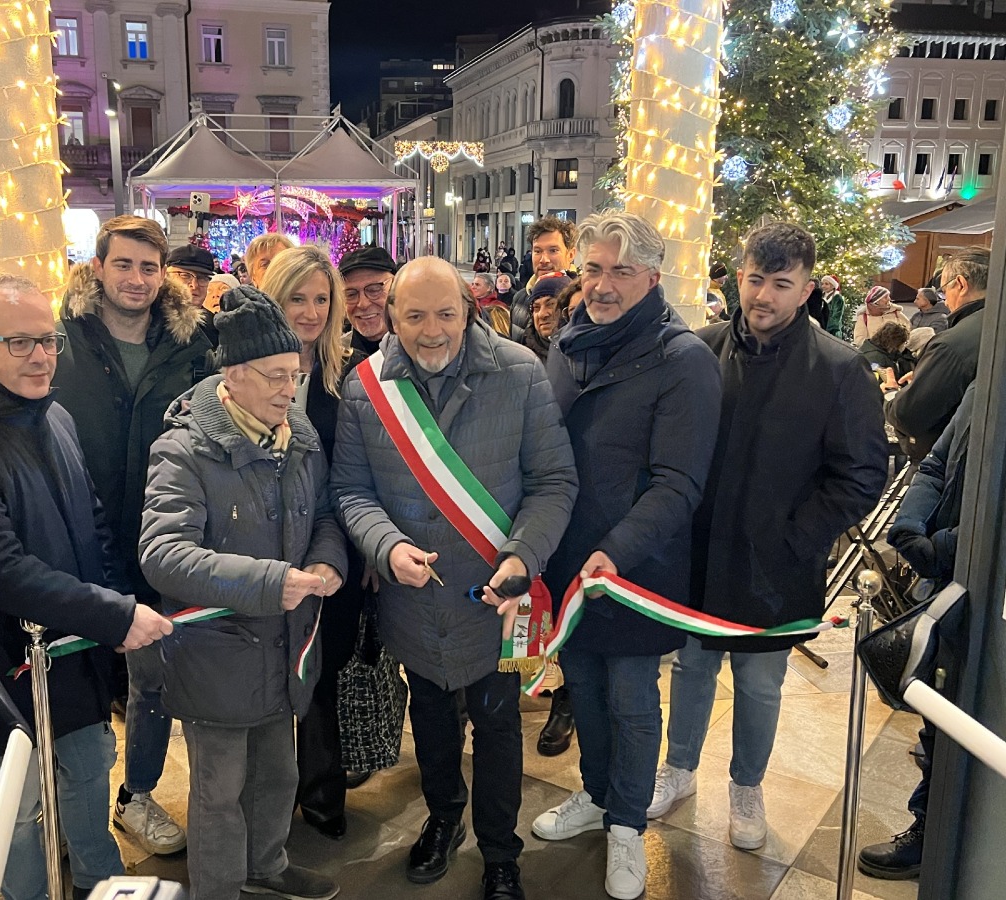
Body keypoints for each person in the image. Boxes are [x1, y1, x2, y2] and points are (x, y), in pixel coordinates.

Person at [331, 257, 578, 900]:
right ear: (391, 317)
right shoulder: (366, 388)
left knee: (499, 731)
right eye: (414, 316)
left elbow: (554, 482)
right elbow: (352, 492)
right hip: (414, 603)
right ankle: (443, 820)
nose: (432, 330)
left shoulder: (521, 372)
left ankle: (501, 850)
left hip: (498, 601)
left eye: (445, 313)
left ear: (468, 310)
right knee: (433, 720)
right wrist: (385, 549)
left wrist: (523, 558)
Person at [0, 275, 173, 900]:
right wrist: (113, 616)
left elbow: (91, 519)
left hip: (75, 647)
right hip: (9, 658)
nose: (41, 356)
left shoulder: (54, 413)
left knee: (89, 768)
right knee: (21, 795)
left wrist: (115, 606)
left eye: (49, 340)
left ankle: (101, 882)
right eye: (19, 343)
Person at [648, 222, 888, 851]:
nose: (764, 296)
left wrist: (794, 538)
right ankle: (678, 769)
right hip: (699, 557)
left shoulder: (839, 369)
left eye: (781, 284)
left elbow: (862, 475)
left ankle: (747, 786)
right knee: (692, 669)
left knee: (758, 684)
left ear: (806, 289)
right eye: (756, 278)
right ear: (738, 275)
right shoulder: (699, 351)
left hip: (774, 566)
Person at [530, 212, 721, 900]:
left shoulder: (682, 359)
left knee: (632, 698)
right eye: (592, 269)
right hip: (568, 562)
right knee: (582, 687)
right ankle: (596, 796)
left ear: (652, 276)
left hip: (633, 567)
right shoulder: (568, 343)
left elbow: (680, 483)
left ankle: (626, 826)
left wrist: (616, 550)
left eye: (620, 271)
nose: (603, 285)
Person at [139, 286, 346, 900]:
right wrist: (272, 582)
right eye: (276, 376)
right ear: (233, 376)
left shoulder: (298, 435)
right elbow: (163, 555)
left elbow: (328, 515)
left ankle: (268, 870)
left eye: (295, 374)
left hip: (284, 646)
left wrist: (327, 562)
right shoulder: (184, 449)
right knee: (218, 793)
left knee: (277, 775)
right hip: (219, 654)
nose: (290, 388)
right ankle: (220, 890)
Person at [54, 215, 214, 858]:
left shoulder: (192, 344)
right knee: (84, 687)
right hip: (79, 538)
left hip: (163, 534)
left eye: (149, 267)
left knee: (156, 675)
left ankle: (137, 795)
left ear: (164, 275)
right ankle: (77, 819)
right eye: (123, 265)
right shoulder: (63, 342)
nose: (136, 279)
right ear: (98, 268)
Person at [261, 246, 368, 839]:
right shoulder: (243, 367)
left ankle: (323, 790)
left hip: (333, 544)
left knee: (323, 670)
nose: (309, 311)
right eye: (297, 298)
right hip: (261, 542)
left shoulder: (347, 375)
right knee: (269, 674)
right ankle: (271, 798)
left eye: (321, 299)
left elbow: (361, 470)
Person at [859, 382, 976, 881]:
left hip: (980, 576)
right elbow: (935, 464)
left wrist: (948, 541)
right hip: (946, 577)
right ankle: (927, 831)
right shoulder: (985, 384)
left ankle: (948, 842)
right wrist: (910, 526)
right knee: (937, 710)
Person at [886, 247, 988, 462]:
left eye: (943, 291)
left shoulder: (953, 343)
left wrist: (891, 393)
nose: (945, 300)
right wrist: (929, 375)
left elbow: (908, 416)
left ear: (960, 284)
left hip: (954, 467)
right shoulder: (987, 327)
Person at [511, 218, 577, 331]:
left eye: (553, 250)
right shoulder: (519, 299)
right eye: (537, 251)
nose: (544, 259)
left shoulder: (583, 299)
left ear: (570, 255)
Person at [337, 246, 397, 356]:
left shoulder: (422, 351)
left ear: (396, 288)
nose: (363, 304)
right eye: (351, 294)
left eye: (374, 290)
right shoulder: (334, 359)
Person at [519, 275, 571, 363]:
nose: (542, 314)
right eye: (536, 308)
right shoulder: (522, 357)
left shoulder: (585, 355)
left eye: (550, 304)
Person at [166, 244, 216, 309]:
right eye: (185, 276)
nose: (194, 285)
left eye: (202, 278)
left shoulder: (214, 319)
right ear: (166, 276)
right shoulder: (150, 315)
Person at [471, 273, 515, 339]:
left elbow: (502, 332)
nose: (473, 287)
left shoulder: (498, 307)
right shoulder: (470, 303)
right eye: (473, 284)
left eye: (477, 285)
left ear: (489, 288)